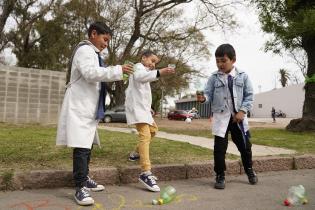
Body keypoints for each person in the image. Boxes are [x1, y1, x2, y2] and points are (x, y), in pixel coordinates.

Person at [56, 21, 133, 206]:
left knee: (87, 144)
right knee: (81, 146)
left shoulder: (94, 54)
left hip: (88, 106)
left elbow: (96, 77)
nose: (106, 44)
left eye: (108, 41)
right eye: (104, 39)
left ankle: (85, 178)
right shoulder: (85, 50)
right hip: (79, 105)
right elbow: (90, 73)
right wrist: (117, 70)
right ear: (93, 34)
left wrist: (115, 75)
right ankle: (80, 187)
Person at [196, 43, 258, 189]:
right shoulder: (214, 77)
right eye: (217, 61)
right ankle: (220, 175)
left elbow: (249, 96)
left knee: (245, 147)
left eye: (223, 61)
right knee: (219, 149)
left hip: (238, 119)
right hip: (221, 118)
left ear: (233, 60)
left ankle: (249, 170)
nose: (220, 64)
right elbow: (208, 94)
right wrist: (203, 98)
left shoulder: (243, 76)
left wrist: (242, 111)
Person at [125, 50, 175, 192]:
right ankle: (145, 173)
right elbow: (141, 77)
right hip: (137, 110)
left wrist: (150, 109)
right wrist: (161, 71)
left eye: (155, 63)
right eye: (152, 61)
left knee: (153, 131)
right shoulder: (138, 67)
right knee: (145, 136)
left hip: (144, 110)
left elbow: (143, 93)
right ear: (143, 58)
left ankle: (135, 154)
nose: (153, 65)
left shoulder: (145, 72)